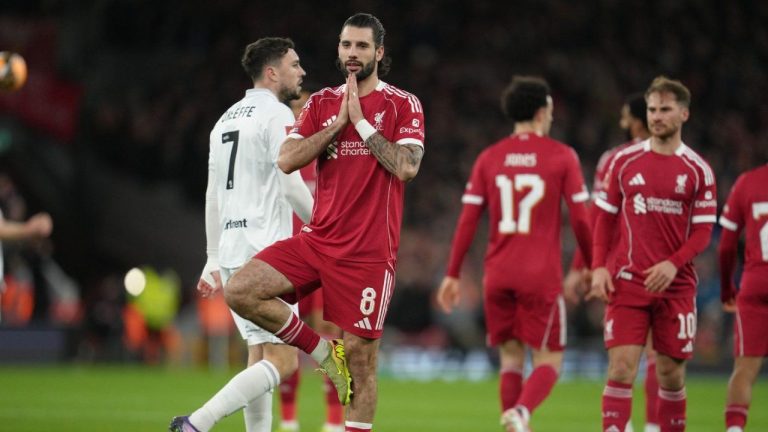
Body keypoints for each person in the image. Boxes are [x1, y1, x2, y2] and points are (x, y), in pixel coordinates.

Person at [223, 13, 425, 432]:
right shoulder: (321, 104)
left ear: (379, 52)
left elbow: (406, 168)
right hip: (317, 242)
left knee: (362, 362)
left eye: (362, 46)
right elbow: (286, 159)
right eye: (346, 45)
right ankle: (320, 353)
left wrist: (364, 124)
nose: (353, 54)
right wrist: (337, 125)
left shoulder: (402, 104)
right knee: (241, 290)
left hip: (368, 254)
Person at [169, 37, 313, 432]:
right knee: (284, 361)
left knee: (260, 354)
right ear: (272, 72)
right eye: (294, 64)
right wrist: (325, 227)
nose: (301, 72)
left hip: (233, 252)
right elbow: (290, 185)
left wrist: (213, 256)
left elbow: (213, 194)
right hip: (268, 251)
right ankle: (196, 423)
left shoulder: (225, 120)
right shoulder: (277, 114)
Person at [436, 75, 593, 432]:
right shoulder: (562, 156)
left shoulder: (489, 157)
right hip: (540, 275)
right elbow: (583, 220)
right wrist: (592, 265)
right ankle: (521, 412)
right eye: (550, 110)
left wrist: (452, 273)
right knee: (550, 359)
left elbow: (467, 221)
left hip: (498, 274)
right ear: (541, 112)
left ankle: (513, 422)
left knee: (510, 357)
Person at [590, 76, 717, 432]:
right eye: (652, 109)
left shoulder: (698, 170)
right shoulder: (624, 161)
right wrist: (599, 266)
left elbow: (704, 231)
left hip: (676, 287)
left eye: (665, 109)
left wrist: (673, 263)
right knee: (620, 369)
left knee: (670, 375)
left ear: (684, 113)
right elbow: (605, 218)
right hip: (627, 282)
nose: (657, 116)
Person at [564, 93, 660, 432]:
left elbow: (593, 217)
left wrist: (583, 266)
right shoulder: (680, 160)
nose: (621, 122)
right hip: (661, 269)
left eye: (625, 116)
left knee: (623, 359)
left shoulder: (614, 158)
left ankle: (626, 425)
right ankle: (650, 426)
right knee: (658, 358)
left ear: (636, 119)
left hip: (622, 268)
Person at [277, 89, 345, 432]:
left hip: (327, 251)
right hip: (292, 252)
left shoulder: (331, 144)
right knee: (286, 337)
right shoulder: (284, 146)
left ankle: (333, 422)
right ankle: (288, 421)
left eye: (308, 106)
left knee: (332, 335)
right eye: (297, 106)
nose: (303, 111)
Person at [718, 163, 768, 432]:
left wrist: (727, 288)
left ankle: (735, 429)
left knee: (745, 370)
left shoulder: (747, 182)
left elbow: (726, 245)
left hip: (756, 284)